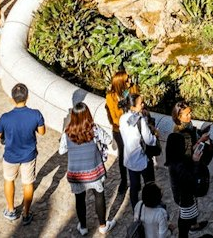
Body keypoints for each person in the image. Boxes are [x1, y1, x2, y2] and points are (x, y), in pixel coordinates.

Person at [61, 100, 114, 237]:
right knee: (99, 196)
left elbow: (61, 150)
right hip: (94, 171)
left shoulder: (67, 133)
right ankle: (103, 225)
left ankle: (83, 226)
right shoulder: (94, 129)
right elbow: (108, 140)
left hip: (76, 173)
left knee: (79, 199)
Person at [0, 82, 46, 224]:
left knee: (9, 180)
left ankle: (11, 210)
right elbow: (42, 132)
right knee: (28, 183)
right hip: (28, 155)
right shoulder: (35, 114)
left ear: (12, 99)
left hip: (10, 156)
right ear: (27, 97)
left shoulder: (5, 117)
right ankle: (26, 213)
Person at [166, 101, 212, 238]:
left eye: (190, 112)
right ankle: (187, 230)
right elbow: (187, 156)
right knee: (186, 213)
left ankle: (192, 225)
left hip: (184, 187)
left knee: (188, 210)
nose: (190, 115)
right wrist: (200, 142)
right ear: (179, 116)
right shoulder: (182, 135)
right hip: (184, 189)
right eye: (186, 114)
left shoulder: (184, 128)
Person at [121, 91, 160, 211]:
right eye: (140, 103)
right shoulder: (140, 120)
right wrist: (156, 136)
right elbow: (149, 140)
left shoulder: (122, 118)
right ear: (133, 106)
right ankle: (152, 207)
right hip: (142, 158)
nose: (143, 105)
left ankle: (135, 211)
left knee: (134, 187)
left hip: (129, 159)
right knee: (149, 184)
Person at [105, 70, 131, 197]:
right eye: (127, 80)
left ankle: (133, 178)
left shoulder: (131, 90)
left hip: (132, 128)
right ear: (120, 83)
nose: (130, 82)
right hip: (120, 130)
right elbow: (114, 117)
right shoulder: (111, 97)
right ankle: (124, 180)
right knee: (122, 155)